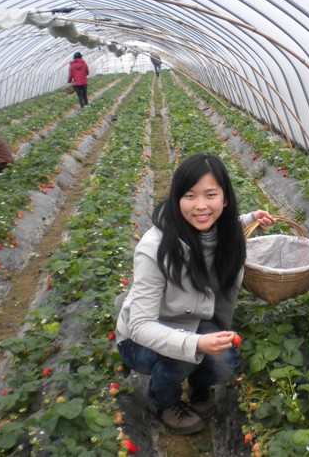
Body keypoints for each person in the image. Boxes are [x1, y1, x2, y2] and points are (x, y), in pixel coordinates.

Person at [115, 153, 274, 434]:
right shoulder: (154, 247)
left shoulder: (224, 231)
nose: (201, 205)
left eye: (210, 195)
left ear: (225, 199)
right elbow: (140, 325)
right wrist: (195, 344)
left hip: (194, 321)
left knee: (225, 364)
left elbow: (215, 226)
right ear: (177, 200)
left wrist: (251, 218)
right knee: (183, 354)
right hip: (140, 341)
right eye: (190, 196)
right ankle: (163, 401)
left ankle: (199, 385)